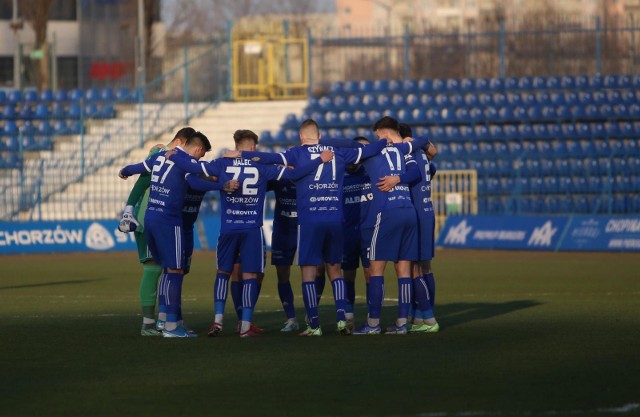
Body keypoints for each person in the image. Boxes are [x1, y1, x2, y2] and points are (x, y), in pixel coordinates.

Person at [224, 119, 388, 336]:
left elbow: (270, 158)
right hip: (335, 220)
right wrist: (389, 141)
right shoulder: (336, 152)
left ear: (302, 137)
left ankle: (314, 325)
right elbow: (367, 149)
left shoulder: (296, 153)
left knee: (308, 274)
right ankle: (341, 319)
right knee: (335, 270)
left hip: (310, 221)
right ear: (319, 136)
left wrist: (241, 155)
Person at [201, 129, 334, 337]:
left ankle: (217, 322)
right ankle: (245, 326)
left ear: (236, 145)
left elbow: (196, 171)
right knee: (251, 274)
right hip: (252, 229)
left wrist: (219, 183)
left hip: (228, 227)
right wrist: (319, 160)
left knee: (223, 272)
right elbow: (295, 174)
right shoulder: (263, 166)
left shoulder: (221, 163)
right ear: (253, 147)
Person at [118, 132, 212, 338]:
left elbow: (137, 169)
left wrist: (124, 170)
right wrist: (221, 184)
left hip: (156, 219)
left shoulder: (159, 156)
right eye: (201, 153)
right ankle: (162, 323)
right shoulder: (177, 159)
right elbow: (195, 181)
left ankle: (166, 320)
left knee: (170, 270)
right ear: (188, 144)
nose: (201, 157)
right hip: (164, 220)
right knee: (166, 269)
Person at [350, 116, 431, 335]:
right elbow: (419, 170)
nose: (376, 140)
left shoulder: (376, 151)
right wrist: (399, 178)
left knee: (376, 269)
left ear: (384, 134)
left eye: (377, 136)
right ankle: (402, 324)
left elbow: (345, 145)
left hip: (386, 212)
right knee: (405, 270)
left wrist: (319, 143)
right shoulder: (405, 150)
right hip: (409, 212)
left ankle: (373, 324)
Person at [340, 136, 375, 329]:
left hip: (369, 231)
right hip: (346, 232)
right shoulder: (339, 174)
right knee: (348, 275)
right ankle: (349, 315)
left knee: (371, 274)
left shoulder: (372, 172)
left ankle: (372, 315)